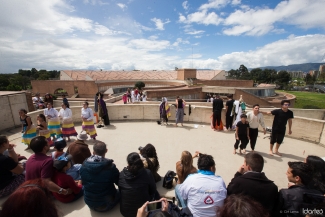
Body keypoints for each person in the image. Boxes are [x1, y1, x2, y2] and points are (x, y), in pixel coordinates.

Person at [80, 141, 120, 212]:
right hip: (106, 204)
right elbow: (119, 182)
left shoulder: (83, 165)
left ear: (93, 152)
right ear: (106, 151)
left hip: (89, 203)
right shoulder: (110, 167)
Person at [119, 152, 157, 217]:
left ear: (128, 164)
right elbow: (153, 190)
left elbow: (120, 191)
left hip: (126, 212)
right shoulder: (147, 173)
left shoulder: (122, 174)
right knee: (156, 194)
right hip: (144, 211)